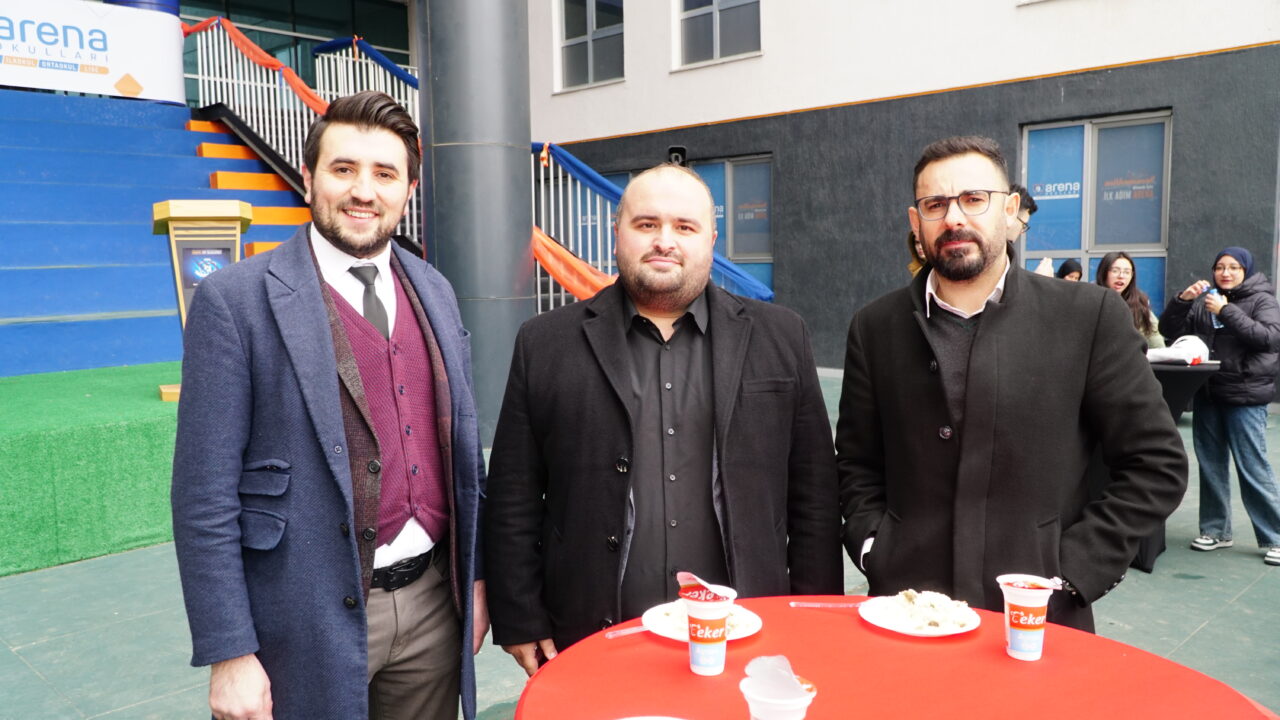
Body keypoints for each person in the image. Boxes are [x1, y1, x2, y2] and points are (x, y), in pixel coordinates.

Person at [171, 91, 487, 720]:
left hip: (432, 606)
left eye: (385, 174)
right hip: (303, 618)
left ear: (408, 190)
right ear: (309, 176)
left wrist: (473, 580)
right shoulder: (234, 301)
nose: (363, 191)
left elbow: (462, 452)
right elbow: (203, 494)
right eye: (344, 169)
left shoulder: (435, 289)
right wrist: (229, 651)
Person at [485, 163, 843, 674]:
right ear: (617, 233)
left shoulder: (782, 336)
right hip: (590, 637)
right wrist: (520, 616)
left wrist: (813, 616)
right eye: (647, 224)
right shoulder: (545, 344)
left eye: (685, 226)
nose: (664, 241)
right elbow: (514, 494)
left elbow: (815, 498)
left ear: (712, 240)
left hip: (749, 631)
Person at [836, 135, 1187, 632]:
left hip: (1039, 617)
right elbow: (856, 462)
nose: (954, 218)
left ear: (1010, 211)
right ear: (916, 223)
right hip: (907, 609)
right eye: (935, 205)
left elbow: (1156, 463)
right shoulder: (875, 327)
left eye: (974, 199)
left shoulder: (1086, 318)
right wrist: (874, 545)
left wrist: (1072, 571)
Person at [1158, 246, 1280, 566]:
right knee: (1211, 465)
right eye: (1220, 267)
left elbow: (1268, 338)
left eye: (1233, 267)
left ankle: (1276, 536)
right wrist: (1183, 301)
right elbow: (1168, 331)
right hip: (1208, 392)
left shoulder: (1262, 299)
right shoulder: (1205, 301)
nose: (1225, 273)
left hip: (1245, 395)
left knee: (1252, 466)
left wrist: (1226, 311)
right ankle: (1215, 530)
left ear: (1246, 271)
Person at [1096, 251, 1164, 348]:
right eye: (1115, 271)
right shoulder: (1091, 299)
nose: (1121, 276)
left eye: (1127, 272)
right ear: (1103, 272)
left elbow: (1153, 336)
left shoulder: (1139, 302)